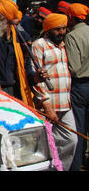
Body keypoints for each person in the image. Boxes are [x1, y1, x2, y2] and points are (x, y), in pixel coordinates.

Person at [31, 13, 77, 170]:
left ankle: (59, 167)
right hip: (48, 103)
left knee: (72, 139)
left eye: (64, 28)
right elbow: (37, 77)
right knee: (45, 142)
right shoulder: (39, 45)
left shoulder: (64, 45)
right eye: (58, 29)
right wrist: (46, 103)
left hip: (65, 102)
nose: (62, 32)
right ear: (49, 29)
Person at [65, 3, 89, 171]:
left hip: (80, 86)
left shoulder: (72, 36)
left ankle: (77, 163)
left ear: (72, 18)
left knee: (78, 129)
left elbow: (73, 67)